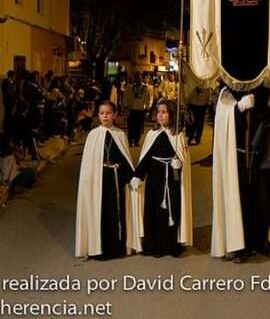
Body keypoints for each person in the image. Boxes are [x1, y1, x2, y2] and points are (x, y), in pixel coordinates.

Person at [210, 85, 270, 263]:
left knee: (266, 200)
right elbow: (222, 123)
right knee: (241, 201)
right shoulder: (228, 93)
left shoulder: (268, 93)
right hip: (237, 158)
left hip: (263, 156)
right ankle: (241, 245)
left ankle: (261, 239)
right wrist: (238, 108)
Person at [75, 101, 139, 260]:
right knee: (100, 211)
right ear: (98, 115)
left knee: (116, 212)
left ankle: (116, 248)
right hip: (99, 179)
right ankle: (99, 248)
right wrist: (88, 182)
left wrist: (131, 177)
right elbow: (89, 165)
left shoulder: (120, 134)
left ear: (115, 115)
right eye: (102, 113)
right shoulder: (93, 135)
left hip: (116, 178)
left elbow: (125, 159)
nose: (105, 116)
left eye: (108, 113)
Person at [132, 101, 192, 257]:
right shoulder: (151, 134)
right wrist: (138, 175)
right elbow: (145, 158)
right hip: (154, 180)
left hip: (172, 180)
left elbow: (184, 159)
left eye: (164, 112)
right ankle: (154, 245)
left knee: (171, 211)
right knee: (154, 211)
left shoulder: (178, 136)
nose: (160, 115)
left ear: (172, 115)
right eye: (158, 112)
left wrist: (179, 164)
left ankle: (171, 245)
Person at [124, 74, 148, 147]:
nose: (138, 80)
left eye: (139, 78)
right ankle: (130, 140)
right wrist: (126, 107)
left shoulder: (144, 88)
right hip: (131, 109)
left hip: (140, 110)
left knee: (139, 126)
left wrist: (147, 108)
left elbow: (147, 99)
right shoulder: (129, 88)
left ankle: (136, 140)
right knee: (131, 126)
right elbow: (125, 97)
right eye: (137, 78)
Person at [1, 70, 17, 135]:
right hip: (8, 102)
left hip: (10, 102)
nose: (15, 77)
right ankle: (6, 130)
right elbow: (8, 93)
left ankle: (9, 129)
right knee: (8, 115)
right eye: (14, 76)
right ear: (11, 76)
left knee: (9, 116)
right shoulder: (6, 82)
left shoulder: (12, 83)